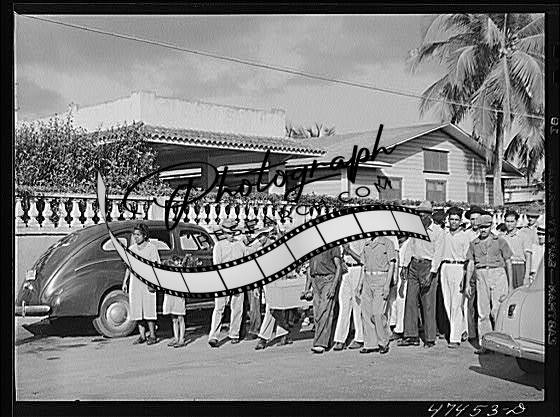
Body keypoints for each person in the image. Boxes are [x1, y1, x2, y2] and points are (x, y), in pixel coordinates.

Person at [398, 201, 444, 348]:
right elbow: (410, 248)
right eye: (418, 214)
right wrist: (405, 266)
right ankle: (411, 336)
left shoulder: (438, 232)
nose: (420, 217)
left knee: (428, 303)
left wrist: (431, 273)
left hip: (428, 266)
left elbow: (438, 254)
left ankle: (430, 338)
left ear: (429, 215)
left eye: (423, 215)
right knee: (410, 301)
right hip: (414, 265)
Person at [465, 214, 514, 354]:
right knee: (483, 312)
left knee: (497, 311)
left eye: (486, 227)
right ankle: (485, 344)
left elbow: (508, 262)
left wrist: (510, 285)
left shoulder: (500, 241)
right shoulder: (473, 244)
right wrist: (467, 283)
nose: (483, 230)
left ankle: (502, 344)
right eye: (480, 227)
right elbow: (471, 263)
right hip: (481, 275)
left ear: (491, 226)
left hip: (498, 274)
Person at [208, 219, 246, 347]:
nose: (231, 235)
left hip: (238, 280)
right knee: (219, 308)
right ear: (224, 233)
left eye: (233, 233)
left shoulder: (240, 245)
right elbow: (217, 265)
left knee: (237, 308)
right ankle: (214, 336)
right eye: (229, 233)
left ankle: (234, 333)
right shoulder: (219, 246)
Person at [355, 236, 397, 354]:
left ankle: (383, 342)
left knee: (378, 313)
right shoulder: (367, 244)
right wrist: (359, 285)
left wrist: (387, 285)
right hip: (367, 279)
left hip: (381, 278)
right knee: (366, 313)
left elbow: (392, 264)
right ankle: (370, 344)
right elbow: (363, 266)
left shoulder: (387, 243)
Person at [437, 207, 470, 348]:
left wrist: (464, 277)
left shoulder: (465, 236)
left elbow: (468, 260)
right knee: (447, 303)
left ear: (461, 220)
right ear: (448, 220)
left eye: (457, 219)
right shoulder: (444, 235)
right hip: (445, 267)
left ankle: (455, 338)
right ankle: (461, 329)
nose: (454, 222)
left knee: (456, 304)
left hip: (459, 267)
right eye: (452, 219)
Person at [122, 222, 160, 345]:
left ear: (144, 235)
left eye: (138, 235)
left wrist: (153, 283)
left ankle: (153, 335)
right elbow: (129, 267)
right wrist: (125, 281)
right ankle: (142, 335)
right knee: (137, 309)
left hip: (147, 282)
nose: (136, 237)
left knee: (149, 309)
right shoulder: (131, 249)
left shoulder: (151, 248)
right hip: (135, 282)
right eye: (135, 235)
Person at [307, 245, 344, 354]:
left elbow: (338, 267)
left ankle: (320, 343)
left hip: (328, 279)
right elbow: (309, 269)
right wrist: (307, 289)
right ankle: (323, 340)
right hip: (315, 280)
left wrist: (333, 287)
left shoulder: (333, 246)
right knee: (317, 313)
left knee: (325, 311)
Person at [332, 240, 367, 351]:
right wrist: (342, 262)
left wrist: (349, 251)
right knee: (344, 305)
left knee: (357, 306)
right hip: (346, 271)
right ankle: (340, 339)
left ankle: (360, 338)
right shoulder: (343, 238)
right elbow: (340, 255)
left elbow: (363, 260)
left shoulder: (362, 240)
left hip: (357, 269)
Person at [463, 205, 488, 342]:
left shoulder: (488, 234)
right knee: (470, 302)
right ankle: (471, 332)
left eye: (477, 219)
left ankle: (485, 333)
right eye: (472, 219)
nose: (475, 222)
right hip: (470, 269)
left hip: (484, 270)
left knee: (484, 303)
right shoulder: (466, 234)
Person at [163, 256, 187, 348]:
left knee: (180, 317)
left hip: (178, 296)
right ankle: (176, 338)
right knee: (174, 318)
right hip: (170, 296)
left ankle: (181, 339)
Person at [503, 210, 530, 289]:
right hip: (506, 267)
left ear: (516, 222)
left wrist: (527, 275)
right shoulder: (502, 237)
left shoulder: (524, 235)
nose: (509, 224)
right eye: (507, 221)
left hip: (519, 266)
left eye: (512, 221)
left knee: (520, 291)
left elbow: (528, 256)